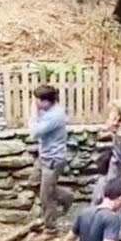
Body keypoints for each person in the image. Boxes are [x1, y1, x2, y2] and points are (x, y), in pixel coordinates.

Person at [30, 84, 73, 230]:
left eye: (38, 100)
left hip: (53, 160)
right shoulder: (47, 110)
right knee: (34, 183)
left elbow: (35, 132)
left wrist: (33, 114)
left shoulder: (55, 116)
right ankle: (66, 196)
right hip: (44, 157)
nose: (35, 103)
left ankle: (50, 228)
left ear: (46, 101)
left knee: (45, 196)